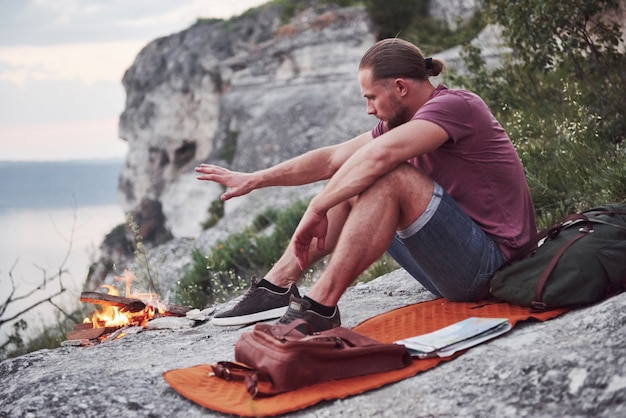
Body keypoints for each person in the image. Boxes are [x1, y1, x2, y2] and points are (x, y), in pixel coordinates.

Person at [195, 38, 536, 332]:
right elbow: (332, 160)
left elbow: (378, 159)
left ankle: (319, 308)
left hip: (493, 266)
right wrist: (255, 179)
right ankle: (277, 287)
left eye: (371, 97)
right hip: (451, 268)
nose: (368, 109)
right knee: (354, 176)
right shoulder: (401, 122)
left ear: (400, 87)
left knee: (385, 174)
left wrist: (318, 207)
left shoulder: (455, 106)